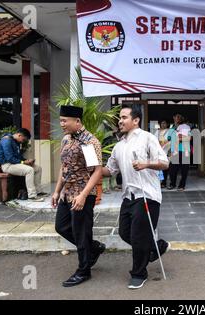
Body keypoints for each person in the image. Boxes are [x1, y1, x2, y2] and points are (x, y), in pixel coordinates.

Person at [102, 103, 171, 290]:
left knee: (139, 237)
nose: (120, 121)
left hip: (147, 194)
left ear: (136, 120)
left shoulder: (147, 138)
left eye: (124, 117)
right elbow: (110, 170)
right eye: (120, 117)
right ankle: (155, 247)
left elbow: (165, 163)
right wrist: (93, 170)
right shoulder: (118, 146)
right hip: (128, 196)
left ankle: (139, 273)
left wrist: (146, 164)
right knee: (125, 233)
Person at [52, 105, 105, 287]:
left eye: (65, 121)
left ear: (78, 121)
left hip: (82, 194)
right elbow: (63, 166)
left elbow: (97, 171)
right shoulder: (66, 139)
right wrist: (57, 190)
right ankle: (94, 248)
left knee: (81, 233)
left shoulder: (89, 142)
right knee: (61, 227)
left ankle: (84, 271)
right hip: (66, 193)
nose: (62, 124)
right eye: (61, 120)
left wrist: (83, 195)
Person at [0, 128, 45, 201]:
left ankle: (38, 191)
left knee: (38, 168)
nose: (23, 142)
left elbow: (18, 157)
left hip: (14, 164)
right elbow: (10, 158)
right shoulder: (6, 141)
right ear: (19, 135)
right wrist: (24, 162)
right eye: (24, 140)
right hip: (7, 165)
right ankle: (32, 196)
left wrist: (26, 160)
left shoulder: (15, 142)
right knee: (29, 170)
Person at [168, 113, 191, 191]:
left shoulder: (186, 127)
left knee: (184, 170)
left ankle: (182, 185)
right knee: (172, 169)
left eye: (178, 117)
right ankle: (172, 184)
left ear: (181, 119)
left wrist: (180, 139)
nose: (176, 119)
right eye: (175, 117)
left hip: (185, 150)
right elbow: (168, 138)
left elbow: (189, 138)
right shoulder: (172, 127)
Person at [155, 120, 171, 188]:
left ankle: (163, 182)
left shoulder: (170, 131)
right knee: (158, 168)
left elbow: (171, 141)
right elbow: (154, 140)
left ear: (167, 124)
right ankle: (158, 182)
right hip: (158, 152)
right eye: (162, 123)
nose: (163, 124)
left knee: (165, 168)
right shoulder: (157, 131)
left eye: (164, 123)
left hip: (166, 151)